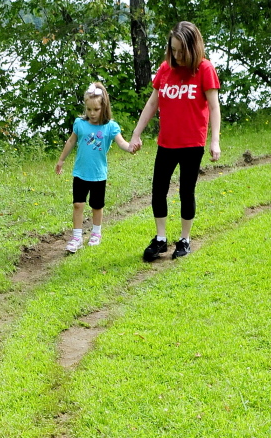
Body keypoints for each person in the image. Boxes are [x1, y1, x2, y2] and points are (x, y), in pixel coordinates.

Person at [129, 21, 221, 261]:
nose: (177, 55)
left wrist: (215, 141)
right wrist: (136, 133)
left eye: (181, 51)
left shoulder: (204, 69)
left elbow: (214, 106)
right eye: (173, 50)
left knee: (186, 191)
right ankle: (160, 240)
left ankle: (184, 239)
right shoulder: (165, 69)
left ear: (192, 48)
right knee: (158, 190)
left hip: (192, 144)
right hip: (166, 143)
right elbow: (152, 103)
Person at [55, 82, 131, 252]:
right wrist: (61, 160)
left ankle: (96, 233)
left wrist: (131, 148)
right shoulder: (80, 124)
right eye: (89, 110)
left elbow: (122, 143)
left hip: (98, 175)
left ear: (103, 107)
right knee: (78, 205)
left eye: (96, 110)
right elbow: (71, 141)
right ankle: (76, 237)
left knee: (97, 206)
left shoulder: (110, 126)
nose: (92, 113)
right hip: (80, 173)